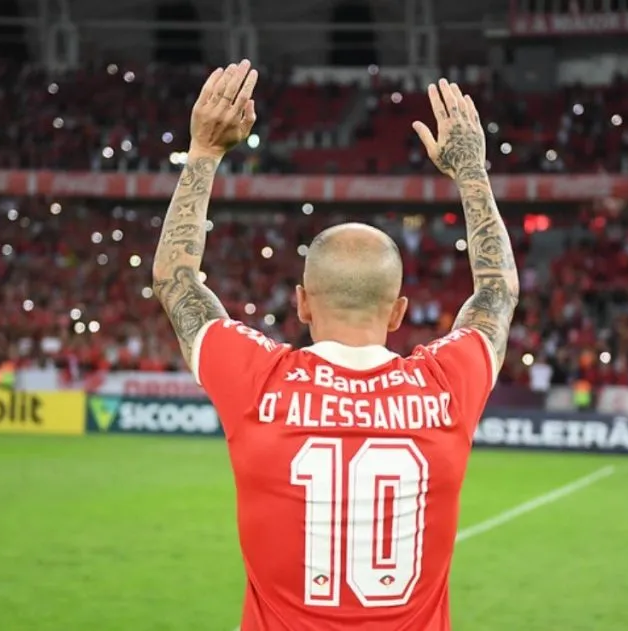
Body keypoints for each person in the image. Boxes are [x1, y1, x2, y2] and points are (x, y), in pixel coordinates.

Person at [152, 60, 519, 631]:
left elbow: (175, 278)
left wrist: (204, 150)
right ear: (399, 313)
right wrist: (472, 173)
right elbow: (497, 290)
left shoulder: (258, 380)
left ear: (302, 303)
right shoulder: (448, 385)